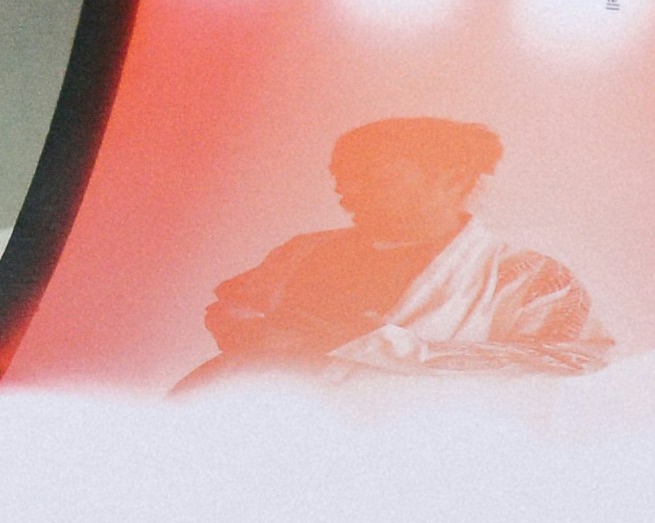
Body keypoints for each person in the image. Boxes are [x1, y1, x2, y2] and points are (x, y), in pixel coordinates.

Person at [193, 118, 611, 384]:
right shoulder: (302, 252)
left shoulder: (531, 277)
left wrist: (386, 347)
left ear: (451, 181)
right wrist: (269, 340)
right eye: (341, 178)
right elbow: (234, 309)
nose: (346, 192)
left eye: (372, 178)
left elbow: (571, 362)